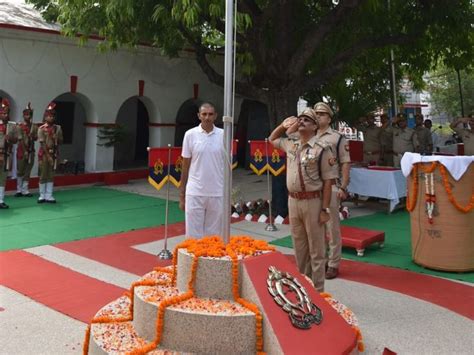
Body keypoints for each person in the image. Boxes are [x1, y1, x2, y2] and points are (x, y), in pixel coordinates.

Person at [269, 108, 338, 292]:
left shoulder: (322, 149)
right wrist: (283, 126)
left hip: (313, 202)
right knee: (299, 248)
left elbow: (328, 182)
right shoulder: (292, 144)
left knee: (316, 250)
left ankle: (318, 291)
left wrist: (324, 210)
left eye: (307, 119)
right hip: (294, 202)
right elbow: (272, 139)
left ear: (315, 126)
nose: (302, 122)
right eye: (300, 119)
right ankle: (302, 288)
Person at [313, 102, 351, 280]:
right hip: (313, 187)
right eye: (316, 114)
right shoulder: (309, 135)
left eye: (322, 114)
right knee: (316, 226)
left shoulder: (337, 137)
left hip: (332, 186)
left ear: (329, 118)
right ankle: (320, 260)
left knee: (332, 226)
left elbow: (345, 163)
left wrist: (343, 186)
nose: (318, 116)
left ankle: (334, 263)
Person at [179, 102, 224, 238]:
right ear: (199, 116)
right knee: (193, 234)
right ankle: (194, 259)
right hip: (195, 191)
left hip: (217, 192)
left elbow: (226, 165)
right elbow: (185, 165)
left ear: (215, 116)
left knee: (214, 235)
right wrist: (182, 194)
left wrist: (228, 192)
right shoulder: (190, 135)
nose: (207, 117)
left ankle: (211, 259)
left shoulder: (224, 135)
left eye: (210, 114)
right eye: (204, 114)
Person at [37, 102, 63, 203]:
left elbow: (61, 141)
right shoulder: (41, 129)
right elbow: (42, 144)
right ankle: (42, 195)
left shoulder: (58, 128)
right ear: (45, 117)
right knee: (43, 174)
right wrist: (48, 157)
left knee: (51, 174)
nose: (51, 118)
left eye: (52, 116)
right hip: (44, 154)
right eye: (49, 116)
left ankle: (49, 195)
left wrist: (57, 138)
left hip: (54, 153)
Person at [15, 103, 38, 197]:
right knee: (20, 170)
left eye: (28, 114)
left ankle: (25, 190)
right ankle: (19, 190)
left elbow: (36, 138)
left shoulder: (34, 127)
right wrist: (25, 151)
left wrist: (33, 136)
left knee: (28, 170)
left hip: (31, 150)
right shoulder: (19, 126)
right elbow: (20, 140)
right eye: (25, 115)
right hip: (22, 151)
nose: (27, 116)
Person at [0, 98, 18, 209]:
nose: (5, 115)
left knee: (2, 177)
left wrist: (10, 138)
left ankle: (0, 200)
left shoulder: (12, 126)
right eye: (3, 113)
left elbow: (16, 140)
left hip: (6, 155)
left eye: (7, 113)